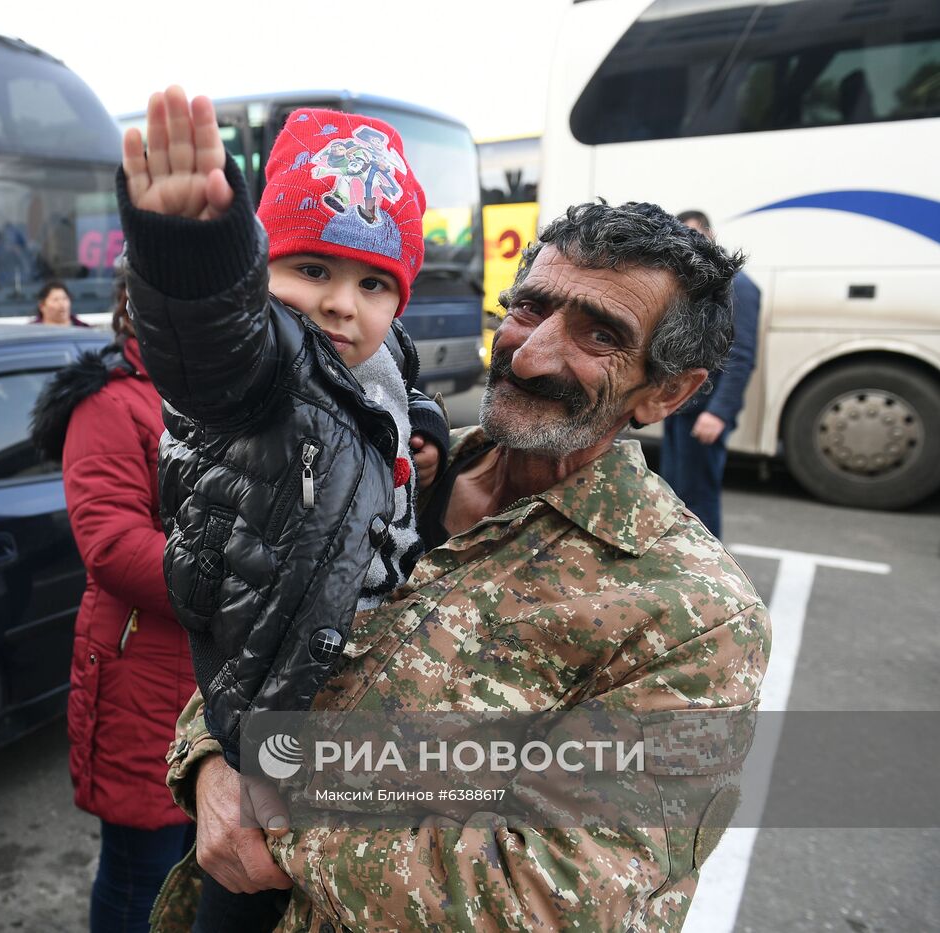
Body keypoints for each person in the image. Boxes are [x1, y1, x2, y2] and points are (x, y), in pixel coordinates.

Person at [150, 201, 772, 932]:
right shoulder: (383, 466)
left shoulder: (694, 614)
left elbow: (542, 897)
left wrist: (270, 796)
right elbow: (250, 634)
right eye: (531, 307)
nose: (532, 352)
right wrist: (211, 760)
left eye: (600, 334)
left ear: (668, 390)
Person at [118, 88, 449, 929]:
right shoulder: (262, 374)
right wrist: (193, 256)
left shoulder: (377, 356)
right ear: (262, 271)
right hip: (271, 737)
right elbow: (212, 348)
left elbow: (395, 384)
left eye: (375, 282)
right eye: (311, 270)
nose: (343, 302)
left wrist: (429, 433)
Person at [29, 269, 196, 933]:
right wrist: (239, 583)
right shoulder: (108, 403)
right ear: (135, 306)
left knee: (202, 867)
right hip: (142, 673)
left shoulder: (227, 390)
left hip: (217, 671)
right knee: (140, 876)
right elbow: (111, 543)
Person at [658, 209, 760, 538]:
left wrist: (719, 413)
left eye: (693, 234)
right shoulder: (698, 282)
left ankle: (709, 571)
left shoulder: (739, 286)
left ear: (710, 235)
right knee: (674, 493)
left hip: (705, 411)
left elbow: (741, 356)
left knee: (698, 497)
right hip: (681, 407)